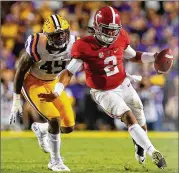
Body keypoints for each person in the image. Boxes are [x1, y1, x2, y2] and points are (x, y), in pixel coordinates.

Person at [38, 6, 167, 169]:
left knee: (139, 113)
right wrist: (57, 91)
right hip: (103, 91)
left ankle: (140, 148)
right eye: (108, 30)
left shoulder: (121, 37)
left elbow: (134, 56)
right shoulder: (84, 45)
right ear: (98, 27)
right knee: (128, 117)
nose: (112, 34)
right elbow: (69, 72)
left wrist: (154, 57)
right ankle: (152, 151)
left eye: (114, 30)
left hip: (123, 83)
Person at [9, 14, 78, 172]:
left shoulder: (75, 43)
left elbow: (75, 67)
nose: (61, 37)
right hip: (33, 83)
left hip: (54, 82)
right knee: (54, 119)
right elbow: (20, 71)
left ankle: (41, 128)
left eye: (63, 33)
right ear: (47, 36)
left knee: (68, 127)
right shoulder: (36, 44)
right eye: (56, 34)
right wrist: (16, 100)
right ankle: (55, 161)